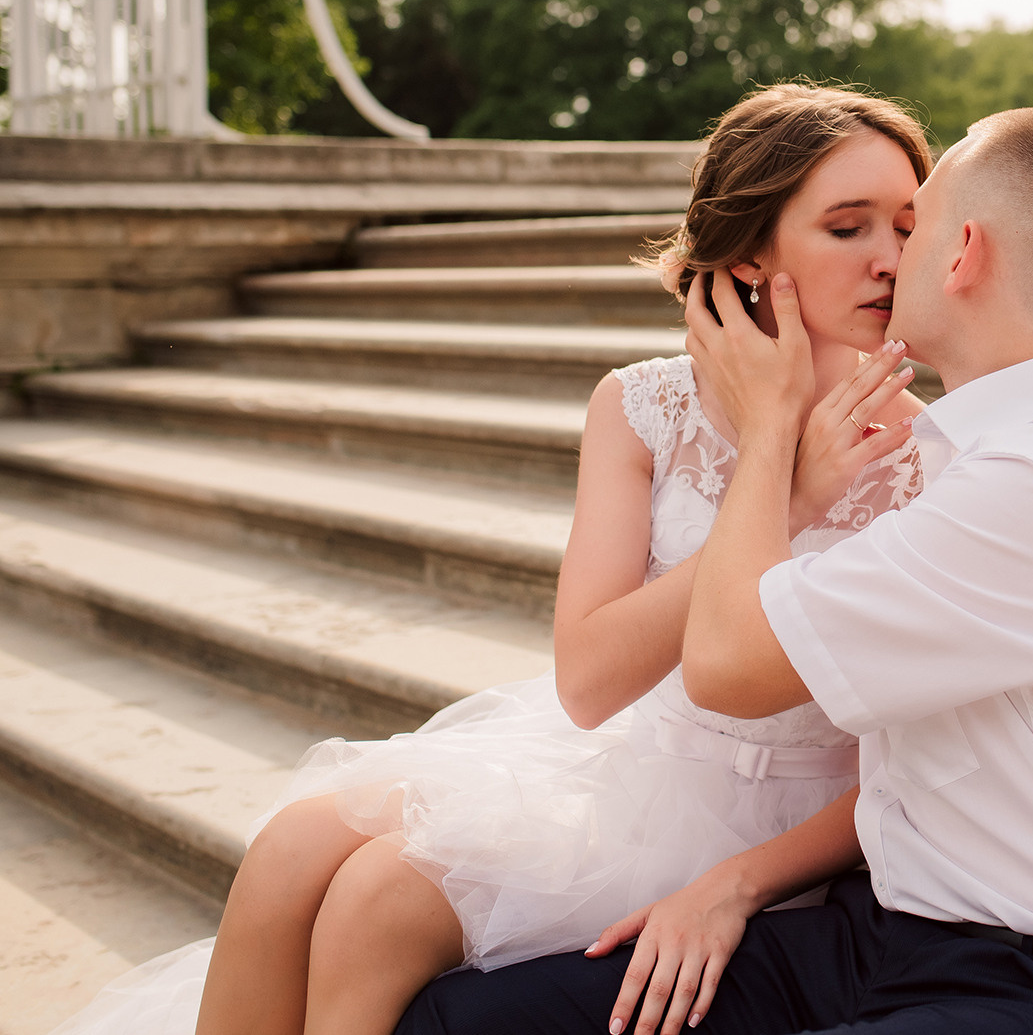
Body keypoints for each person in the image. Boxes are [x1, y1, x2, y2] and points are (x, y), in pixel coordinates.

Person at [52, 84, 932, 1035]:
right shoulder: (645, 406)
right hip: (625, 763)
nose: (890, 259)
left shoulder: (933, 460)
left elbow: (915, 766)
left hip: (779, 826)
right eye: (849, 227)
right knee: (289, 850)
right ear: (751, 252)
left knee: (377, 904)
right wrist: (780, 476)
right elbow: (590, 682)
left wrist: (787, 481)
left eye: (909, 225)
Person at [394, 107, 1033, 1035]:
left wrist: (768, 428)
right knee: (462, 1019)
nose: (890, 256)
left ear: (961, 254)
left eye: (913, 225)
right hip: (892, 933)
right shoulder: (1000, 447)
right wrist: (732, 880)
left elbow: (726, 665)